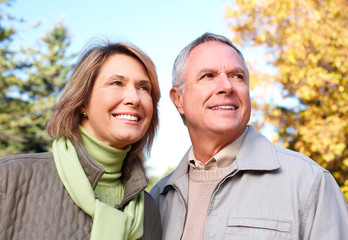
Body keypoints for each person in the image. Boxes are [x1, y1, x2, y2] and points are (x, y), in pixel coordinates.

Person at [150, 32, 348, 240]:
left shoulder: (310, 182)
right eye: (208, 76)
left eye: (237, 76)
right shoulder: (157, 199)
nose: (227, 86)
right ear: (178, 99)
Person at [0, 41, 161, 240]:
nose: (134, 98)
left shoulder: (150, 211)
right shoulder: (10, 179)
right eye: (116, 83)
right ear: (82, 100)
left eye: (144, 88)